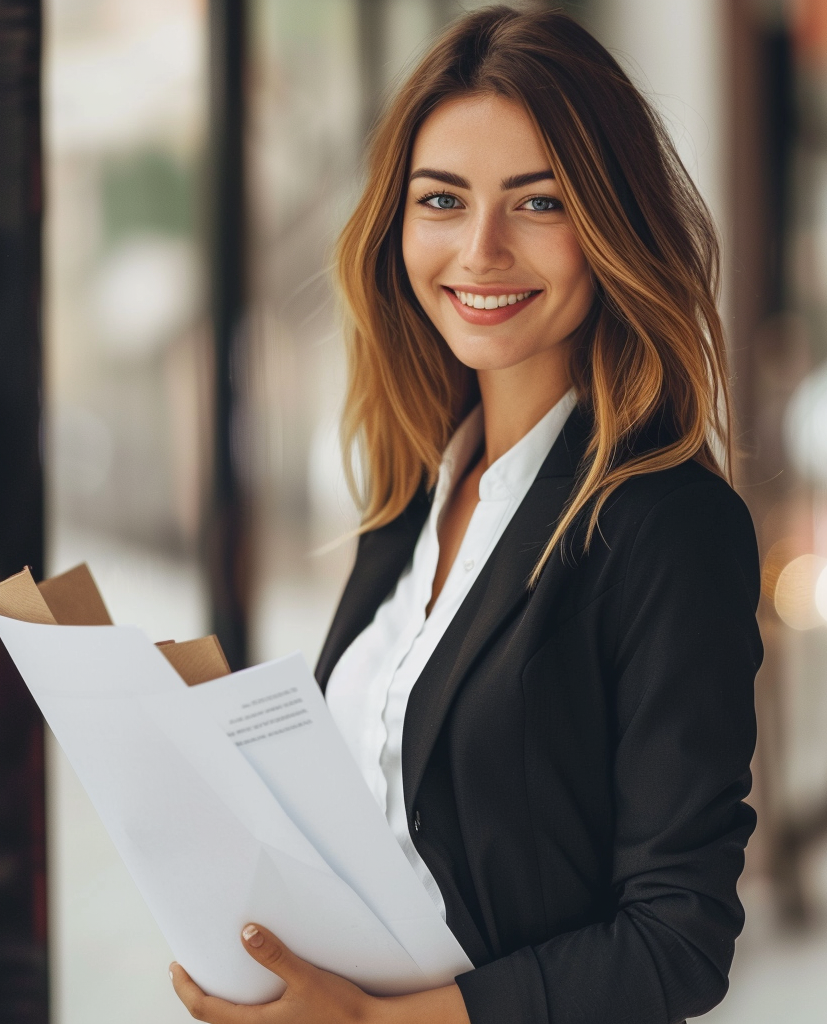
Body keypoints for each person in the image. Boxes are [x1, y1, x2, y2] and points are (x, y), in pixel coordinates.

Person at [170, 6, 762, 1023]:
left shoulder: (667, 525)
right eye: (441, 199)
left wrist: (375, 1022)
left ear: (609, 226)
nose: (480, 249)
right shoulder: (408, 496)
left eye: (538, 203)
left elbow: (678, 943)